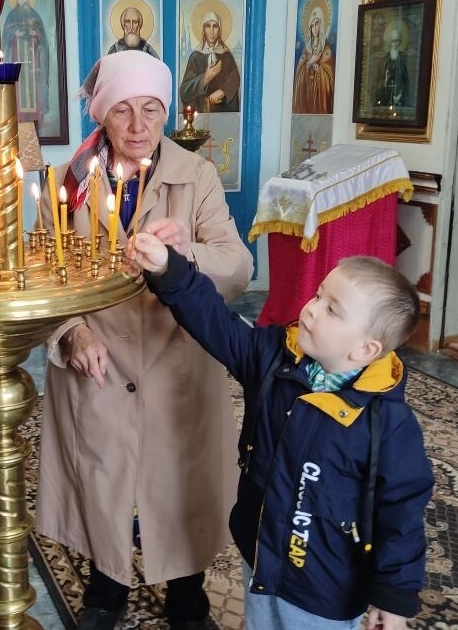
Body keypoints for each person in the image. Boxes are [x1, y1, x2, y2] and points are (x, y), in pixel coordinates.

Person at [36, 50, 253, 630]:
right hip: (98, 359)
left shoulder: (197, 175)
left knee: (180, 478)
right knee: (101, 475)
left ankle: (187, 595)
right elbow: (43, 275)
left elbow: (238, 268)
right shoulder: (71, 182)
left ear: (166, 113)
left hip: (178, 357)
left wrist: (184, 254)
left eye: (151, 110)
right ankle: (106, 589)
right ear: (102, 115)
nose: (138, 126)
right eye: (123, 111)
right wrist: (72, 332)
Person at [127, 242, 434, 630]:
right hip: (260, 549)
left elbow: (402, 513)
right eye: (319, 295)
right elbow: (214, 321)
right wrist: (169, 269)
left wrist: (393, 597)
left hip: (324, 583)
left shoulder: (388, 423)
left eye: (332, 309)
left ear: (365, 349)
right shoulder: (273, 358)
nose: (311, 309)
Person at [2, 0, 50, 127]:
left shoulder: (34, 15)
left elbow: (43, 39)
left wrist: (37, 35)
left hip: (34, 64)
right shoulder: (12, 16)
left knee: (35, 91)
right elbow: (6, 37)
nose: (25, 1)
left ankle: (36, 120)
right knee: (19, 91)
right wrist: (14, 35)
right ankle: (19, 121)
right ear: (17, 0)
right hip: (18, 61)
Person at [179, 11, 241, 113]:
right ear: (203, 29)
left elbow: (235, 78)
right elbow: (184, 91)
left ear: (219, 29)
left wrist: (223, 91)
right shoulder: (196, 56)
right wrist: (205, 78)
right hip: (201, 113)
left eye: (215, 26)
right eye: (208, 26)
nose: (211, 31)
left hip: (223, 113)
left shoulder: (226, 55)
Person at [292, 6, 335, 114]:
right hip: (307, 96)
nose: (314, 28)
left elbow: (329, 79)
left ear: (322, 25)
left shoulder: (326, 49)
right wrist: (311, 62)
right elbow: (298, 77)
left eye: (317, 24)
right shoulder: (306, 49)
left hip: (319, 98)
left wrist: (317, 67)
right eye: (312, 25)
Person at [376, 25, 410, 108]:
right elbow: (381, 79)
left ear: (400, 41)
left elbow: (405, 81)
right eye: (393, 41)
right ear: (390, 42)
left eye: (397, 41)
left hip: (399, 96)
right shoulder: (386, 59)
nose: (394, 43)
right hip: (386, 96)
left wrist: (400, 95)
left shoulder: (402, 58)